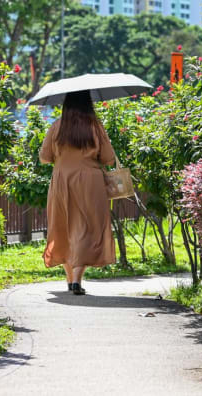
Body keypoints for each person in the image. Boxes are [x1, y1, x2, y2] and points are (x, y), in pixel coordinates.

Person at [39, 90, 116, 295]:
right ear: (88, 104)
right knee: (89, 229)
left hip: (62, 181)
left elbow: (44, 158)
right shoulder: (95, 127)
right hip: (90, 183)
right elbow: (109, 158)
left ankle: (70, 280)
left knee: (62, 227)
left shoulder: (57, 126)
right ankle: (77, 280)